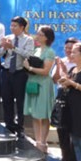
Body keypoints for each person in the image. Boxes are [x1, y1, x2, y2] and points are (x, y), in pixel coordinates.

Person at [0, 16, 34, 137]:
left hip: (20, 73)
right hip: (7, 72)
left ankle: (20, 126)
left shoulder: (28, 40)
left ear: (22, 27)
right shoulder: (8, 38)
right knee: (7, 99)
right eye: (11, 25)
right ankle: (9, 124)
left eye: (15, 26)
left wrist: (14, 48)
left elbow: (28, 55)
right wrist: (3, 47)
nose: (12, 28)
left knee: (20, 101)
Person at [22, 25, 56, 153]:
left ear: (47, 37)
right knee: (35, 114)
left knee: (44, 114)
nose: (37, 36)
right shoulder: (35, 50)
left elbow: (46, 71)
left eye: (40, 34)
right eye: (37, 34)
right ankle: (37, 141)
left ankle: (43, 142)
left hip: (43, 84)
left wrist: (29, 68)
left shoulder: (49, 52)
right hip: (32, 82)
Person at [52, 37, 79, 161]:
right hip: (62, 96)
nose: (68, 51)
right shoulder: (61, 61)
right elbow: (54, 80)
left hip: (76, 97)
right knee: (61, 128)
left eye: (71, 48)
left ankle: (74, 158)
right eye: (66, 48)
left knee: (74, 128)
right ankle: (65, 157)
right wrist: (58, 67)